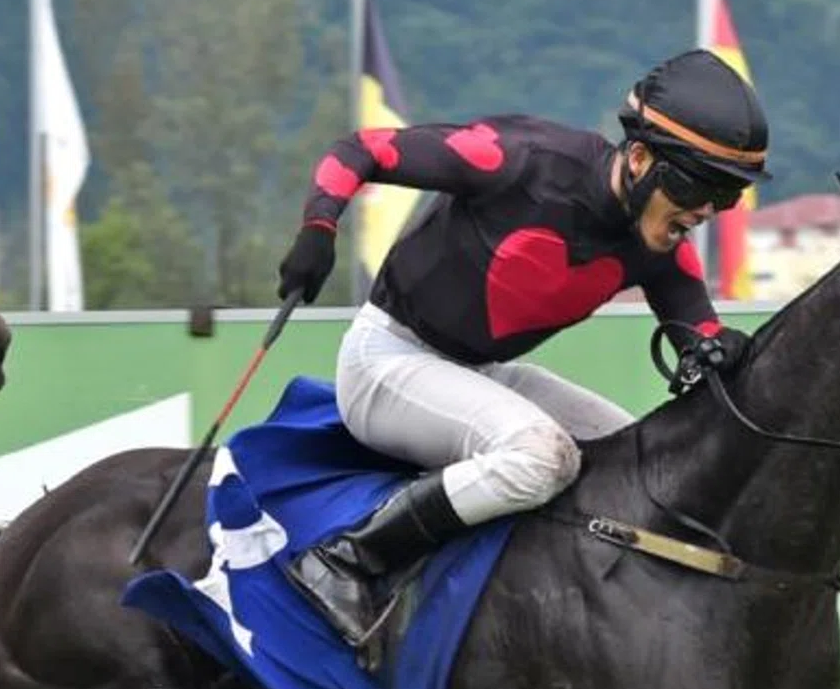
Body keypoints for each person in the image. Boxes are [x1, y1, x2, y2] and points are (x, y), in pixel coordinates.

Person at [274, 48, 770, 647]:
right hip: (386, 362)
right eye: (702, 187)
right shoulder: (518, 160)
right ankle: (347, 559)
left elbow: (702, 336)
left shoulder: (663, 248)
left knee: (647, 464)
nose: (710, 211)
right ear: (639, 158)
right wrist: (319, 230)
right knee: (545, 455)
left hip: (481, 373)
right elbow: (360, 149)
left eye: (728, 195)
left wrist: (716, 355)